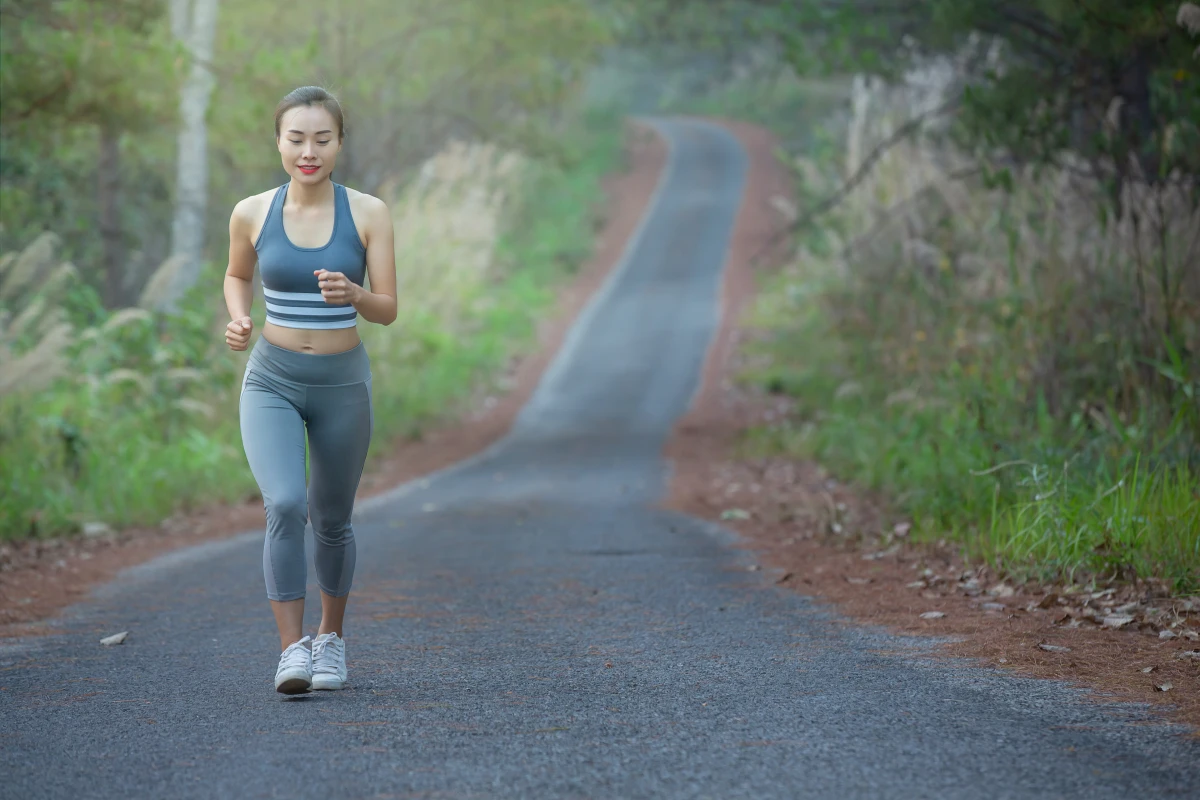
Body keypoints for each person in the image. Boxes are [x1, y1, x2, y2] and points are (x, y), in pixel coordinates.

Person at [223, 86, 397, 694]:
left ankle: (331, 641)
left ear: (340, 144)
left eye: (322, 139)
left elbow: (389, 309)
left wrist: (355, 295)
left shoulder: (369, 213)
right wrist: (240, 316)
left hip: (342, 382)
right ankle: (291, 651)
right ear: (279, 142)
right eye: (296, 138)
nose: (309, 151)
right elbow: (236, 273)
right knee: (286, 504)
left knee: (331, 518)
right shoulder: (252, 211)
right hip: (271, 378)